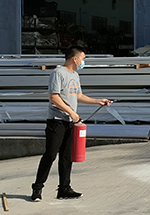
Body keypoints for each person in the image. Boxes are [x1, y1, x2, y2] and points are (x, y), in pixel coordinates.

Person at [31, 45, 110, 202]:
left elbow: (78, 95)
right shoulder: (58, 73)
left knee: (67, 156)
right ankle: (37, 189)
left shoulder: (75, 76)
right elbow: (54, 97)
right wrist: (71, 112)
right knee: (50, 154)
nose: (83, 62)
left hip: (69, 122)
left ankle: (64, 189)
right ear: (75, 58)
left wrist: (97, 101)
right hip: (57, 121)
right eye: (83, 59)